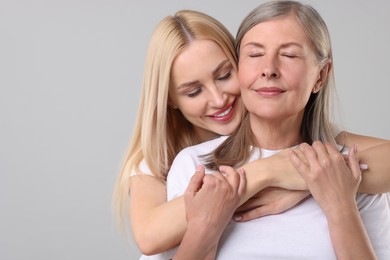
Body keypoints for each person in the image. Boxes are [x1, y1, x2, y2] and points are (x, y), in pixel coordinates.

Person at [112, 7, 390, 258]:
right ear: (170, 100)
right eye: (194, 91)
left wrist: (312, 183)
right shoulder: (178, 163)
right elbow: (149, 237)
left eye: (223, 75)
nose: (219, 99)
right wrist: (265, 173)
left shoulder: (339, 161)